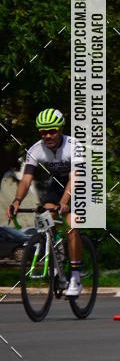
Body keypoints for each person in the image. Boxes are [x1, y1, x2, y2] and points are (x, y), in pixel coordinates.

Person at [7, 108, 83, 296]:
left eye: (52, 131)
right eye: (43, 132)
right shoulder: (35, 150)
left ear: (61, 129)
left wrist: (65, 202)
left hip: (80, 184)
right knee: (47, 219)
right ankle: (57, 261)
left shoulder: (74, 146)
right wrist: (16, 201)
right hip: (57, 184)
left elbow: (76, 178)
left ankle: (76, 276)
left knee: (72, 226)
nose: (48, 136)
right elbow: (26, 180)